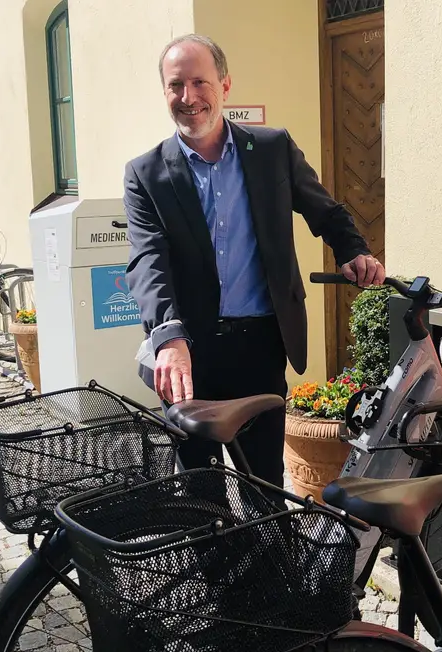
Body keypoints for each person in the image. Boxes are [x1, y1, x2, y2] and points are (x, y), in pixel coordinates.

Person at [124, 33, 384, 487]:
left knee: (264, 481)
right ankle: (215, 557)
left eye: (200, 83)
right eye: (175, 85)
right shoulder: (146, 173)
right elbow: (148, 260)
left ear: (225, 85)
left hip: (261, 345)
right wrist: (167, 337)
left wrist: (353, 251)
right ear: (163, 91)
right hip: (189, 352)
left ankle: (266, 557)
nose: (189, 98)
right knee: (199, 489)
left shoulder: (270, 148)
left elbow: (323, 209)